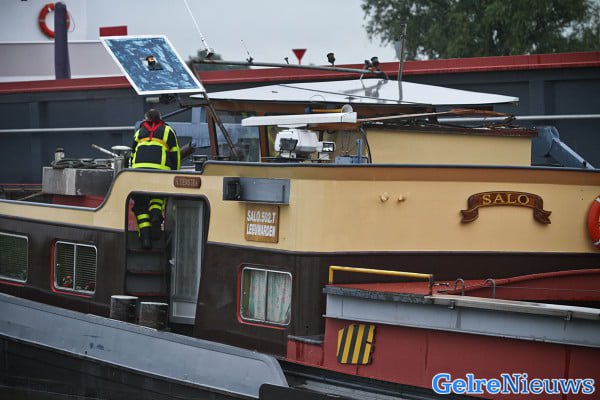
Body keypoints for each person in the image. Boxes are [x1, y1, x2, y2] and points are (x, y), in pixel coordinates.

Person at [130, 109, 180, 249]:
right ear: (160, 118)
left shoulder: (139, 132)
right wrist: (175, 173)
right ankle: (156, 215)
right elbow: (175, 153)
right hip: (160, 171)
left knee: (140, 204)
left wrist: (131, 173)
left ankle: (145, 238)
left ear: (146, 119)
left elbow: (132, 155)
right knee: (158, 196)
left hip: (139, 172)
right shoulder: (168, 131)